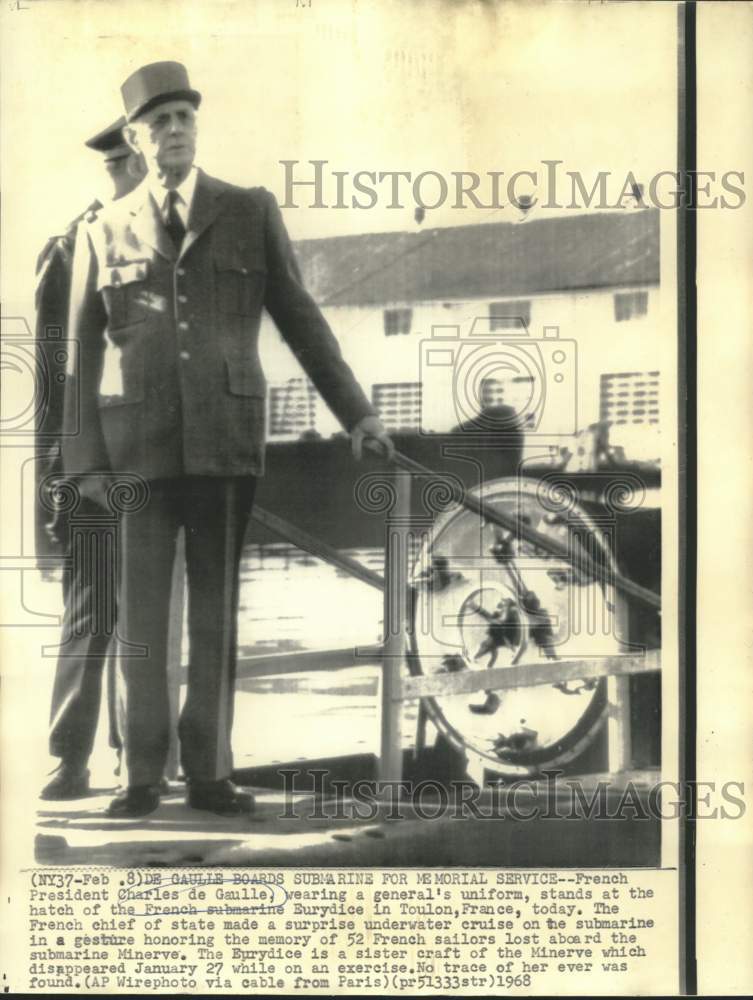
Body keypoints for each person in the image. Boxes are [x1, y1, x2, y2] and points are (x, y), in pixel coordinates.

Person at [63, 61, 393, 818]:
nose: (174, 131)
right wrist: (83, 462)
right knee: (141, 619)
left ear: (195, 128)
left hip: (223, 441)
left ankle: (210, 773)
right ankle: (140, 777)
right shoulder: (102, 229)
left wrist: (358, 414)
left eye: (184, 118)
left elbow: (300, 317)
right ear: (137, 140)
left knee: (214, 613)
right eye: (159, 123)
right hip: (136, 454)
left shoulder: (246, 209)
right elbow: (77, 357)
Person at [38, 118, 147, 799]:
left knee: (161, 615)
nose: (130, 175)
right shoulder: (74, 244)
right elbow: (56, 370)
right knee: (92, 614)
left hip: (165, 462)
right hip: (90, 466)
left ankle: (143, 760)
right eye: (119, 167)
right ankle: (70, 758)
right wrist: (64, 469)